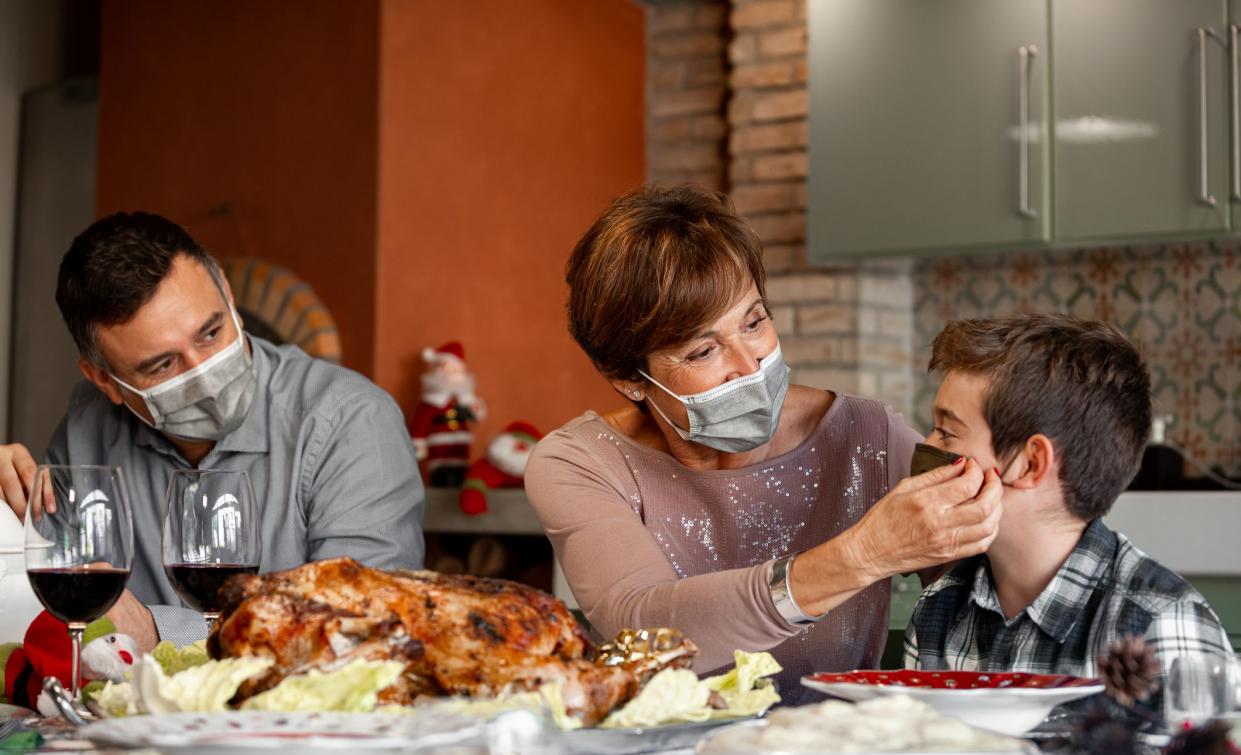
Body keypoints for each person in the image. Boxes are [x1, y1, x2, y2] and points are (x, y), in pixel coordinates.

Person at [524, 185, 1003, 701]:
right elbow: (644, 630)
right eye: (704, 350)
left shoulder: (868, 438)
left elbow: (998, 563)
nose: (749, 363)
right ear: (629, 379)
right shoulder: (581, 463)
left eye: (754, 322)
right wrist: (864, 554)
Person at [0, 212, 425, 649]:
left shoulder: (352, 422)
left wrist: (158, 630)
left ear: (224, 289)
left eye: (210, 332)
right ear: (104, 381)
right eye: (163, 364)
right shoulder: (87, 430)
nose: (203, 375)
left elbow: (364, 628)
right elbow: (31, 603)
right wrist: (2, 513)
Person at [904, 315, 1232, 682]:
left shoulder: (1164, 627)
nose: (926, 447)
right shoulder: (937, 611)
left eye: (946, 433)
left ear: (1030, 464)